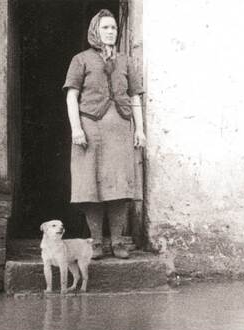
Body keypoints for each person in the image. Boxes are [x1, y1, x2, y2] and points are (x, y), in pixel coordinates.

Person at [62, 9, 146, 259]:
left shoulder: (126, 61)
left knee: (119, 185)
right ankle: (96, 242)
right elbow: (71, 96)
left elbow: (134, 97)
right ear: (95, 31)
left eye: (114, 29)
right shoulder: (81, 60)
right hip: (90, 130)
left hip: (120, 129)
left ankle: (118, 242)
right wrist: (76, 129)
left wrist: (139, 129)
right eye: (106, 28)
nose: (111, 32)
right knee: (91, 184)